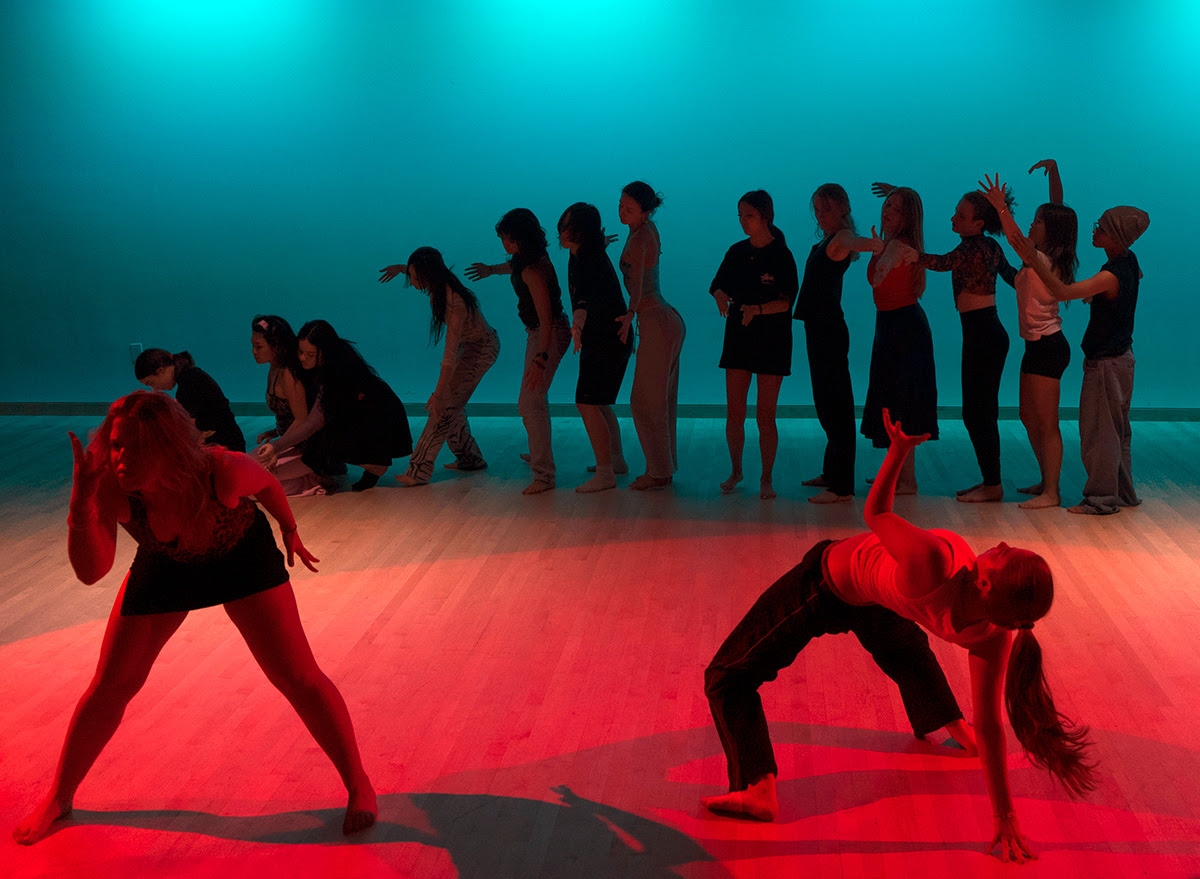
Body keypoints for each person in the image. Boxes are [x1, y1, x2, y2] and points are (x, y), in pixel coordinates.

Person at [702, 408, 1096, 863]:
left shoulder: (932, 560)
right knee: (906, 648)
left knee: (727, 676)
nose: (1002, 544)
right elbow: (991, 725)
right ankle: (951, 725)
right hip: (884, 602)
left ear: (986, 585)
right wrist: (1003, 815)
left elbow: (876, 512)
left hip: (828, 584)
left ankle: (756, 787)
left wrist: (897, 452)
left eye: (1005, 555)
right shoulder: (994, 631)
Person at [12, 392, 376, 845]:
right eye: (118, 445)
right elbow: (91, 573)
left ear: (168, 448)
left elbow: (265, 484)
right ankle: (59, 797)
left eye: (137, 448)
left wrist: (289, 528)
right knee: (110, 686)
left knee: (297, 676)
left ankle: (359, 782)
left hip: (238, 554)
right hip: (166, 561)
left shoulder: (221, 471)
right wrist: (80, 504)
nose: (122, 459)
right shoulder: (111, 485)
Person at [1003, 176, 1150, 515]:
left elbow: (1064, 292)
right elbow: (1060, 219)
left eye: (1101, 227)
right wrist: (1055, 173)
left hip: (1108, 362)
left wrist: (1034, 259)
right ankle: (1122, 493)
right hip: (1112, 359)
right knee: (1113, 431)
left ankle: (1099, 500)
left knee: (1100, 434)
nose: (1094, 230)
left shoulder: (1111, 274)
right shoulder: (1128, 262)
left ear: (1117, 236)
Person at [885, 185, 1019, 503]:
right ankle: (990, 481)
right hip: (984, 335)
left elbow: (945, 262)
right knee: (978, 412)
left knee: (978, 414)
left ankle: (993, 483)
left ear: (979, 223)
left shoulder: (975, 248)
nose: (953, 219)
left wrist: (915, 255)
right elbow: (1015, 277)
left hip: (984, 336)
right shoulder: (986, 248)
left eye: (961, 215)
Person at [978, 161, 1077, 510]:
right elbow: (1059, 213)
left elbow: (1018, 238)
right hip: (1034, 346)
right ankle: (1046, 480)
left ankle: (1053, 491)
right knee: (1027, 416)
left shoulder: (1041, 260)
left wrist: (1000, 206)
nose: (1032, 224)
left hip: (1049, 346)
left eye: (1038, 221)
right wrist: (1054, 174)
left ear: (1048, 232)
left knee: (1048, 423)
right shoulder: (1047, 254)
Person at [467, 209, 572, 495]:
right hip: (541, 333)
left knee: (530, 401)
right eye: (503, 239)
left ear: (520, 239)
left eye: (508, 240)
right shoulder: (527, 261)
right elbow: (511, 267)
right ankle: (539, 454)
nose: (505, 245)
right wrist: (491, 270)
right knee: (533, 400)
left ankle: (544, 473)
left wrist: (542, 356)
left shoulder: (533, 269)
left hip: (546, 334)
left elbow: (547, 317)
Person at [378, 248, 500, 486]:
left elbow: (449, 355)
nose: (411, 283)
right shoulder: (438, 284)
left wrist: (437, 393)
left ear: (427, 275)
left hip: (481, 349)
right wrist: (400, 268)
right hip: (471, 347)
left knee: (442, 406)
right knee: (450, 406)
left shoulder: (455, 302)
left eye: (413, 277)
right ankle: (470, 458)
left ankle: (418, 471)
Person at [793, 184, 882, 503]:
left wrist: (877, 243)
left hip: (828, 329)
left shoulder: (842, 237)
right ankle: (832, 473)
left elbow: (866, 243)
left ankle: (842, 485)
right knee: (827, 403)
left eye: (826, 209)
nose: (820, 215)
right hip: (820, 329)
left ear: (843, 208)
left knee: (836, 405)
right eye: (817, 210)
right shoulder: (830, 240)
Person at [709, 190, 799, 500]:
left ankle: (766, 476)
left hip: (772, 340)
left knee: (765, 415)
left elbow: (786, 302)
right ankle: (736, 470)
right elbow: (718, 284)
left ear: (765, 217)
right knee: (735, 412)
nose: (743, 222)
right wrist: (720, 294)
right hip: (739, 337)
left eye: (749, 216)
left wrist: (756, 310)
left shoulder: (782, 255)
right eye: (740, 216)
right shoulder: (736, 251)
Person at [258, 321, 413, 492]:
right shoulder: (317, 367)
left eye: (310, 354)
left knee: (327, 444)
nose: (302, 358)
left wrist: (277, 446)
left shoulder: (339, 373)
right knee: (323, 444)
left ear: (324, 353)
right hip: (354, 412)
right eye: (300, 352)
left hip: (376, 413)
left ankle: (374, 465)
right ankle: (368, 463)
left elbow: (314, 422)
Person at [859, 187, 937, 494]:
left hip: (905, 328)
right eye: (887, 205)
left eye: (897, 209)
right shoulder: (890, 241)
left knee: (903, 403)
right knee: (892, 399)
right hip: (890, 325)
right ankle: (897, 476)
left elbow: (888, 262)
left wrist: (882, 265)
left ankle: (907, 480)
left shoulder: (901, 245)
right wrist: (897, 192)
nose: (887, 211)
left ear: (908, 218)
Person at [557, 203, 634, 492]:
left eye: (569, 227)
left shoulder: (588, 258)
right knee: (598, 402)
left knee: (587, 402)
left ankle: (606, 472)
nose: (563, 232)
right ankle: (614, 462)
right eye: (563, 226)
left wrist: (577, 328)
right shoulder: (583, 254)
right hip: (608, 338)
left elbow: (584, 302)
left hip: (606, 339)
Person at [618, 181, 687, 491]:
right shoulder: (645, 230)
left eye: (629, 209)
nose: (622, 211)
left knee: (645, 401)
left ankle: (659, 471)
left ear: (645, 212)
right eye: (621, 205)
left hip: (657, 321)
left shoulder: (641, 237)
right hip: (665, 320)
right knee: (659, 400)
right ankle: (662, 468)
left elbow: (636, 283)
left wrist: (629, 313)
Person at [250, 315, 323, 497]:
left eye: (259, 346)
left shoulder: (288, 374)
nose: (254, 351)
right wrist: (275, 431)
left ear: (276, 346)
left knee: (253, 484)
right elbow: (289, 414)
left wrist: (277, 446)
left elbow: (302, 419)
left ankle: (314, 479)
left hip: (305, 447)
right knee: (241, 470)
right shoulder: (274, 368)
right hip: (288, 442)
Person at [134, 348, 245, 452]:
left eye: (151, 383)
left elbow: (190, 431)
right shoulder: (192, 375)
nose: (155, 389)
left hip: (226, 448)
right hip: (230, 441)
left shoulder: (188, 385)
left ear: (160, 370)